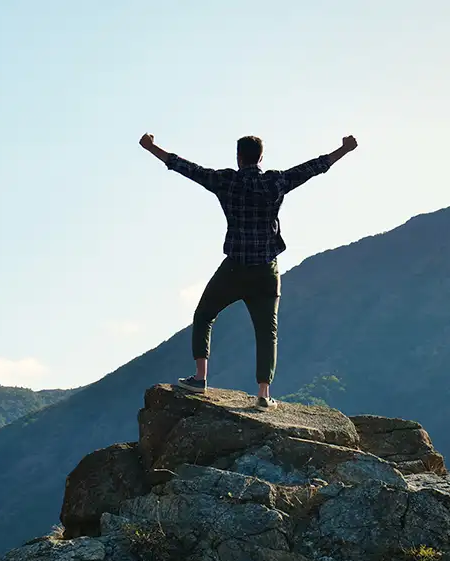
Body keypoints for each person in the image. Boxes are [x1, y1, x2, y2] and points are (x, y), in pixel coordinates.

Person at [139, 132, 358, 409]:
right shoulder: (275, 181)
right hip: (267, 270)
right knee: (267, 333)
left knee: (204, 315)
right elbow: (314, 167)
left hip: (234, 268)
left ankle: (200, 378)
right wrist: (344, 150)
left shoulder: (226, 181)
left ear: (238, 157)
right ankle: (264, 395)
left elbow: (185, 167)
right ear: (261, 157)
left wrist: (151, 148)